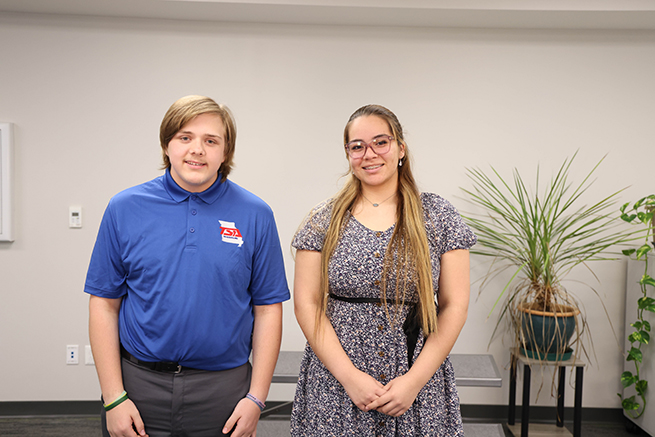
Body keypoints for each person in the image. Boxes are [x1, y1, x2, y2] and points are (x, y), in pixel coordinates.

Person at [85, 95, 290, 437]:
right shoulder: (124, 208)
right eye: (185, 137)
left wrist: (256, 398)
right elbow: (104, 304)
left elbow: (268, 308)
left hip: (223, 394)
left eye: (211, 141)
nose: (197, 149)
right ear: (167, 145)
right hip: (137, 389)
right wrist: (113, 398)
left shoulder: (256, 214)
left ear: (226, 153)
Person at [290, 104, 476, 436]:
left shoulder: (438, 216)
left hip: (416, 381)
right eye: (357, 146)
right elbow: (307, 304)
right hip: (337, 382)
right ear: (348, 154)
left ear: (400, 149)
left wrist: (414, 381)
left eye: (381, 142)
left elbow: (455, 305)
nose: (369, 154)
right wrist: (350, 377)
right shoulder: (323, 220)